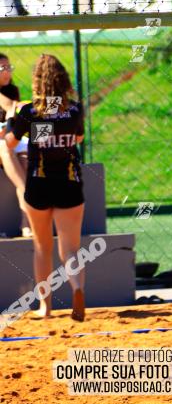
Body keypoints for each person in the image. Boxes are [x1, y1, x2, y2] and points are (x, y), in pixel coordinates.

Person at [4, 54, 85, 321]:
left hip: (39, 184)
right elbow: (78, 137)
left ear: (38, 82)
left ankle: (45, 307)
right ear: (63, 80)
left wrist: (14, 124)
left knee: (42, 247)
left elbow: (11, 144)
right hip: (69, 183)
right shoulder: (74, 109)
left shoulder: (30, 112)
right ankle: (77, 288)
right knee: (71, 248)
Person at [0, 51, 32, 237]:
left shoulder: (13, 90)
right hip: (3, 144)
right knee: (5, 146)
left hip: (9, 139)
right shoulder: (8, 97)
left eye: (9, 67)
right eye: (3, 68)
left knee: (28, 161)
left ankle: (26, 223)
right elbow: (11, 107)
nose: (7, 72)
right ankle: (29, 192)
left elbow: (14, 113)